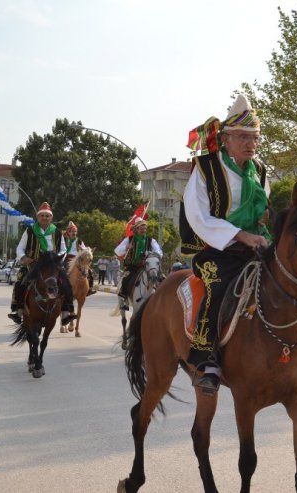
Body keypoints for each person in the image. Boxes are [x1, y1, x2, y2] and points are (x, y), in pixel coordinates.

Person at [182, 94, 270, 395]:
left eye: (254, 138)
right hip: (217, 251)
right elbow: (198, 215)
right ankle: (207, 361)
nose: (250, 144)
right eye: (243, 137)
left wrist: (264, 223)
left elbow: (263, 210)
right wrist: (241, 235)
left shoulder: (259, 170)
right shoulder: (205, 168)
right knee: (217, 286)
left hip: (256, 246)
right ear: (226, 138)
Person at [8, 202, 77, 326]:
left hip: (52, 264)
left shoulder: (56, 232)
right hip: (34, 264)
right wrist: (23, 257)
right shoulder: (30, 231)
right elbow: (20, 248)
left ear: (51, 218)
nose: (44, 218)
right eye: (42, 215)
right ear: (37, 217)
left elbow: (63, 249)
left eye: (47, 216)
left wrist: (58, 258)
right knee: (21, 281)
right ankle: (18, 311)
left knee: (66, 283)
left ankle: (67, 312)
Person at [114, 218, 163, 311]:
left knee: (161, 277)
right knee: (126, 279)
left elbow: (159, 251)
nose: (143, 230)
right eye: (141, 228)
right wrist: (126, 247)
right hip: (133, 265)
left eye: (144, 229)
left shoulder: (150, 240)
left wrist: (152, 255)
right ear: (136, 229)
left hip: (146, 265)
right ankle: (123, 299)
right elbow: (117, 251)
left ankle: (162, 297)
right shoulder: (129, 239)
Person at [63, 221, 96, 295]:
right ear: (69, 232)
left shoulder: (79, 241)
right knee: (62, 270)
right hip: (66, 258)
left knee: (90, 272)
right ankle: (61, 287)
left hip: (77, 259)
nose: (74, 233)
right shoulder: (64, 239)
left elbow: (84, 249)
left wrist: (85, 250)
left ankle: (90, 288)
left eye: (75, 231)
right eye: (72, 231)